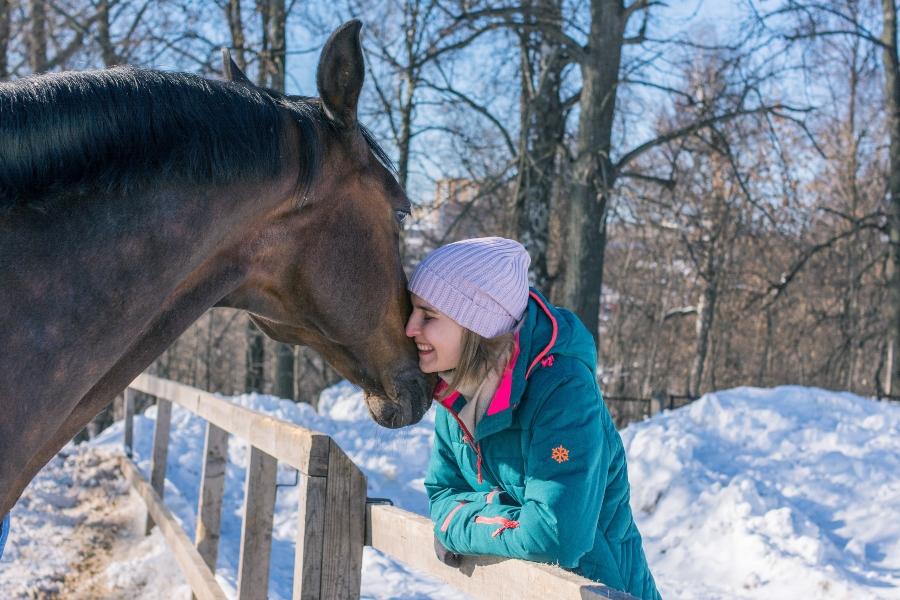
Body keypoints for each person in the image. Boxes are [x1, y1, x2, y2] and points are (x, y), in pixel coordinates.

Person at [405, 237, 661, 600]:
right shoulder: (454, 390)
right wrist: (506, 517)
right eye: (412, 311)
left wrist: (458, 523)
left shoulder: (563, 389)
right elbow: (443, 493)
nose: (410, 328)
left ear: (475, 324)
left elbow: (557, 536)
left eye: (428, 316)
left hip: (598, 591)